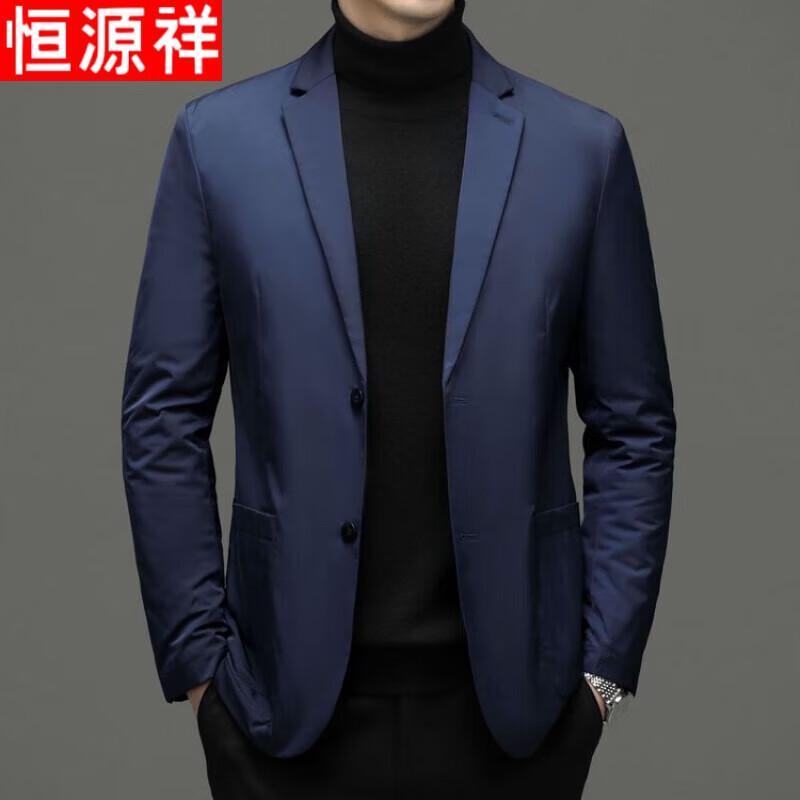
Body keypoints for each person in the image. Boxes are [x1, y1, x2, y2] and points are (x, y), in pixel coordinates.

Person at [121, 1, 676, 797]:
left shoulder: (580, 149)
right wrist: (203, 674)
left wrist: (601, 677)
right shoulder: (219, 142)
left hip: (520, 728)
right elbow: (162, 420)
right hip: (280, 724)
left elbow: (635, 427)